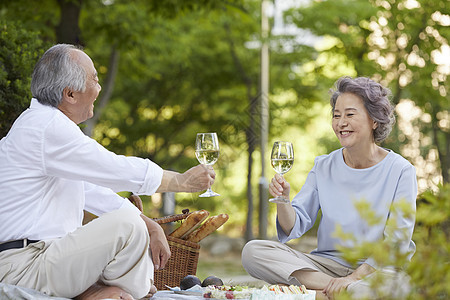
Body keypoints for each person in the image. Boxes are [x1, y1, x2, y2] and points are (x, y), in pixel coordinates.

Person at [0, 44, 216, 300]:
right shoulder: (46, 126)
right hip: (24, 266)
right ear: (70, 94)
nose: (99, 88)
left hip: (45, 259)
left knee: (132, 221)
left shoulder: (46, 129)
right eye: (94, 79)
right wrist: (180, 181)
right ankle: (112, 292)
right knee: (127, 224)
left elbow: (95, 193)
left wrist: (151, 226)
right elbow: (113, 168)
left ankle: (107, 291)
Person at [242, 76, 417, 299]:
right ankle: (338, 293)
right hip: (325, 266)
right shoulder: (323, 166)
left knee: (397, 286)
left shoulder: (401, 170)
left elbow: (396, 243)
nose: (341, 122)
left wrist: (355, 277)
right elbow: (293, 226)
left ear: (374, 120)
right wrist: (283, 200)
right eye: (336, 115)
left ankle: (317, 294)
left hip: (376, 271)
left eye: (350, 114)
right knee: (253, 252)